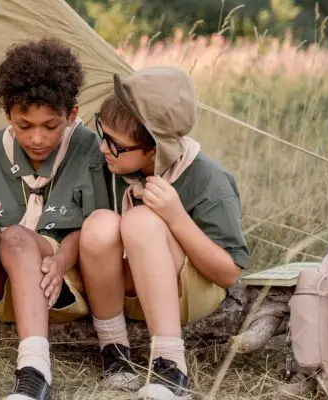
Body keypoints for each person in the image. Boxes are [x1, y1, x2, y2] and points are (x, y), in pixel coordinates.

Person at [0, 38, 109, 400]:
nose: (37, 138)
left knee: (16, 236)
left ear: (72, 114)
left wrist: (61, 261)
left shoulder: (89, 150)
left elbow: (94, 226)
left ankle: (34, 372)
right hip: (2, 289)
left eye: (51, 125)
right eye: (24, 125)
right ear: (7, 114)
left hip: (59, 284)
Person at [78, 66, 250, 400]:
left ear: (154, 149)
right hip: (127, 295)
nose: (103, 148)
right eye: (103, 134)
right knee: (100, 223)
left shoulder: (208, 179)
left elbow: (228, 273)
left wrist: (176, 217)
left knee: (141, 221)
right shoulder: (107, 166)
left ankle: (171, 368)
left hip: (189, 295)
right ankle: (115, 353)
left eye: (116, 144)